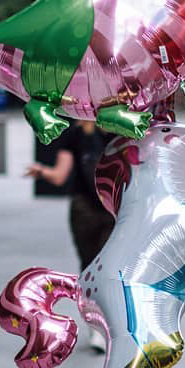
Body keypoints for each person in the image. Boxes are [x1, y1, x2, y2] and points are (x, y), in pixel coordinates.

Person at [24, 120, 114, 351]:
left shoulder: (117, 129)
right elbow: (60, 176)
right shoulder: (77, 135)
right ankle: (98, 328)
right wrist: (42, 171)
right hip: (90, 209)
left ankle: (103, 327)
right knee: (93, 270)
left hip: (109, 209)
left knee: (102, 270)